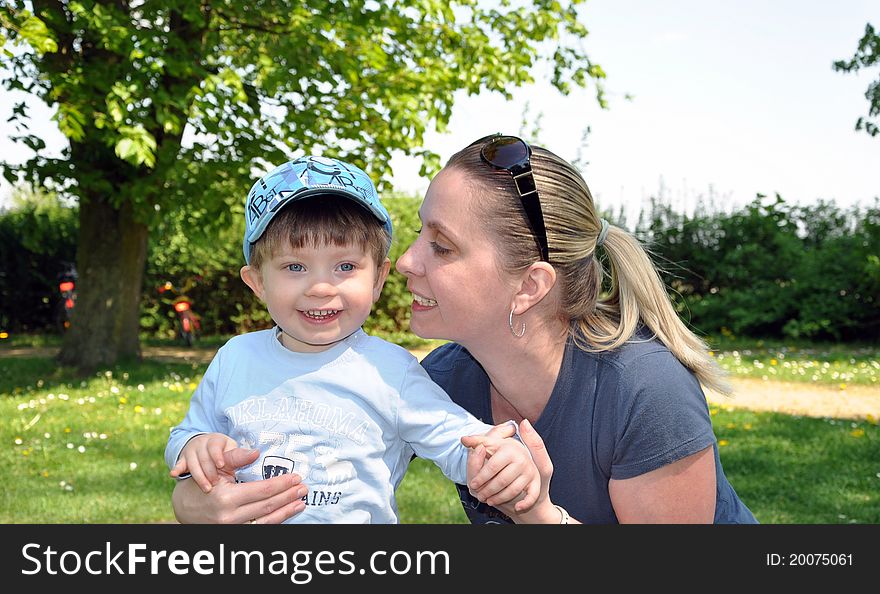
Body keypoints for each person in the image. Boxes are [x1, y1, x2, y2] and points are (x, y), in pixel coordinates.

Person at [397, 134, 757, 524]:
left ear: (529, 286)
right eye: (421, 233)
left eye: (443, 246)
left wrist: (537, 515)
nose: (405, 261)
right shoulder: (446, 379)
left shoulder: (645, 391)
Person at [165, 155, 538, 524]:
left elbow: (459, 441)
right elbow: (186, 434)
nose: (321, 287)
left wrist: (501, 457)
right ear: (257, 282)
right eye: (295, 267)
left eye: (346, 267)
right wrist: (194, 447)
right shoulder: (235, 358)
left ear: (377, 279)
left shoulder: (391, 372)